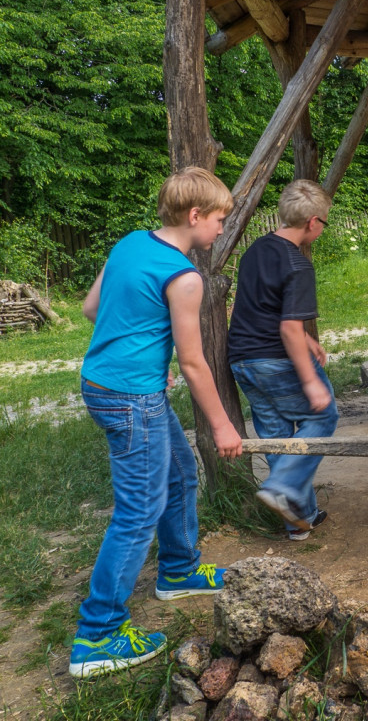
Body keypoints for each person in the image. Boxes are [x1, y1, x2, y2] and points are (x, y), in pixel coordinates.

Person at [70, 167, 244, 679]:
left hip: (105, 384)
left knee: (179, 473)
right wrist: (223, 427)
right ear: (194, 216)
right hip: (131, 399)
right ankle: (97, 635)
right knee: (138, 511)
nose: (218, 231)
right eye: (217, 221)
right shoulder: (184, 276)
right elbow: (193, 363)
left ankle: (179, 570)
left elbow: (90, 308)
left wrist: (142, 353)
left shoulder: (130, 243)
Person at [227, 179, 339, 540]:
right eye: (324, 222)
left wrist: (307, 339)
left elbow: (264, 307)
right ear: (312, 223)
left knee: (276, 434)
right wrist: (309, 380)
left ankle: (299, 520)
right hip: (275, 360)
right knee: (323, 415)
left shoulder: (256, 249)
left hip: (243, 361)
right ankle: (282, 487)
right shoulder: (298, 264)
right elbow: (288, 327)